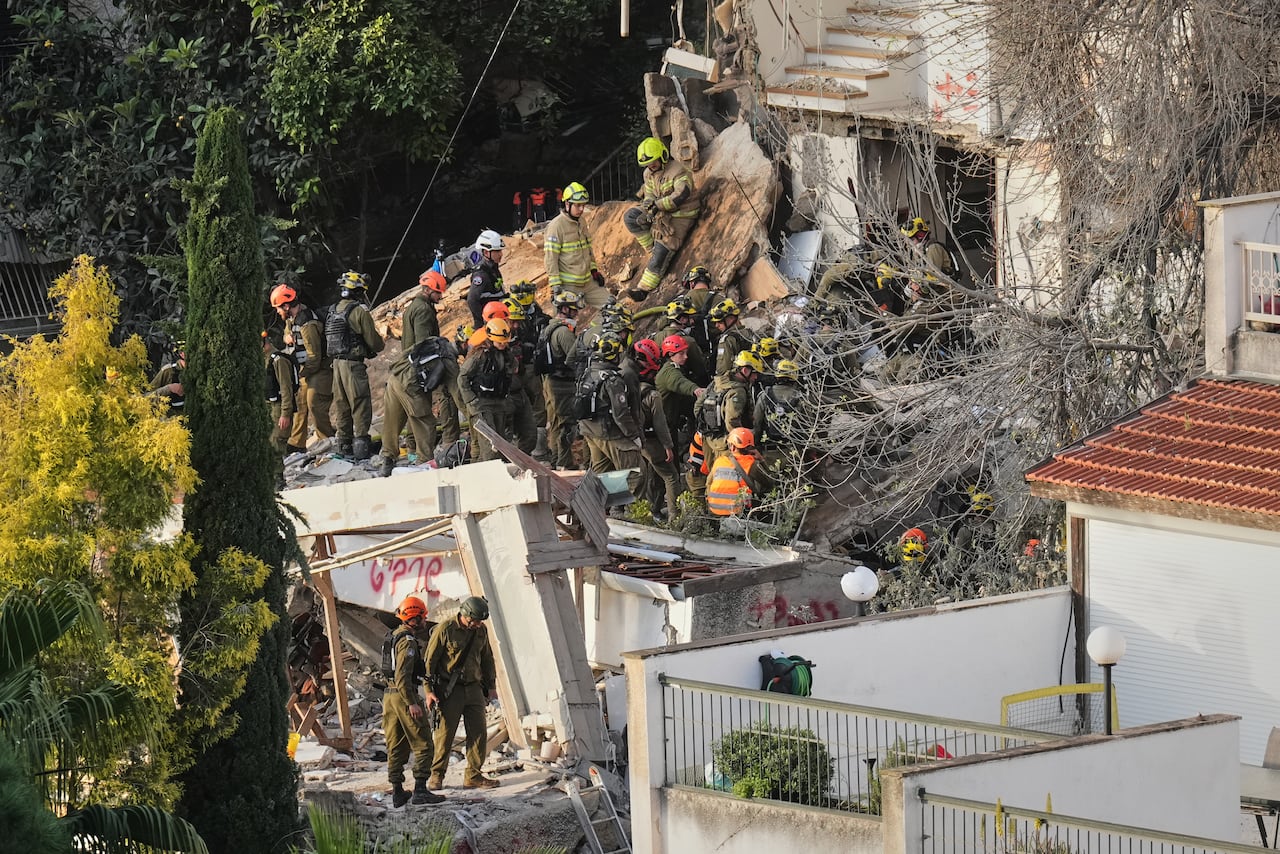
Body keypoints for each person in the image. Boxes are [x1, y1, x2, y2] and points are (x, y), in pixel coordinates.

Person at [426, 596, 500, 790]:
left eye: (480, 621)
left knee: (478, 733)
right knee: (444, 735)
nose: (477, 624)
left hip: (474, 687)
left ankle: (473, 775)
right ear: (465, 614)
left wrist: (491, 687)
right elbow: (430, 662)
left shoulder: (480, 631)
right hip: (449, 690)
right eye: (474, 620)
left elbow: (487, 659)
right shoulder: (445, 629)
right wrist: (429, 691)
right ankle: (436, 776)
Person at [384, 596, 447, 807]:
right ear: (414, 618)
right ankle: (420, 789)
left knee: (396, 745)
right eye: (422, 617)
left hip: (389, 696)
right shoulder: (407, 642)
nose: (423, 621)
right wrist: (411, 702)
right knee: (423, 743)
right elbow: (403, 675)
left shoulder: (393, 636)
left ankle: (397, 791)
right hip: (403, 696)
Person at [623, 137, 700, 302]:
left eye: (653, 162)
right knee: (631, 217)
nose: (651, 166)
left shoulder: (678, 171)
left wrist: (657, 206)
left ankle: (643, 289)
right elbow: (649, 192)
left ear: (663, 156)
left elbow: (680, 196)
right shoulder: (648, 174)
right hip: (660, 209)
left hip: (681, 214)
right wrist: (648, 205)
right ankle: (651, 248)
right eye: (648, 164)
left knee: (662, 251)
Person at [327, 271, 386, 460]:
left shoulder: (333, 310)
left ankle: (343, 446)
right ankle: (361, 448)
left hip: (335, 365)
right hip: (353, 365)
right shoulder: (359, 311)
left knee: (341, 404)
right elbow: (375, 343)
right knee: (360, 404)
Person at [577, 334, 643, 497]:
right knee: (636, 474)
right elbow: (621, 413)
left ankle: (602, 509)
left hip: (589, 431)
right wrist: (634, 435)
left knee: (602, 474)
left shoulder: (588, 371)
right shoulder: (613, 380)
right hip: (607, 432)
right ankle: (629, 513)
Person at [272, 283, 334, 453]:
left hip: (319, 369)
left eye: (278, 308)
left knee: (315, 403)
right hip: (304, 369)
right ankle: (296, 443)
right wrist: (286, 338)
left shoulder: (308, 324)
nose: (278, 312)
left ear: (286, 306)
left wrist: (300, 374)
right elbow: (287, 334)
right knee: (299, 404)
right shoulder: (292, 320)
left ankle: (328, 439)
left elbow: (314, 357)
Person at [544, 182, 614, 308]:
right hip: (568, 286)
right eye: (578, 206)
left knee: (613, 308)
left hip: (588, 282)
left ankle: (596, 328)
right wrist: (556, 286)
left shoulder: (581, 221)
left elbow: (588, 249)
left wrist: (594, 271)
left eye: (583, 205)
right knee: (564, 323)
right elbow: (550, 258)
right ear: (567, 204)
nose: (581, 209)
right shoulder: (556, 226)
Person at [632, 338, 680, 519]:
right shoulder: (653, 396)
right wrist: (668, 446)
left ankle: (652, 510)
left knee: (652, 474)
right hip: (652, 441)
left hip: (637, 440)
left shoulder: (630, 386)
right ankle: (675, 517)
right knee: (671, 476)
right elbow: (660, 424)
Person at [459, 318, 517, 462]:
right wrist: (472, 401)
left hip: (499, 403)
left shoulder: (506, 355)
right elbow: (462, 377)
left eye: (505, 341)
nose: (503, 344)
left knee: (501, 445)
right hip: (481, 404)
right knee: (490, 446)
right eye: (500, 342)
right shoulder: (480, 355)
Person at [539, 290, 585, 469]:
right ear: (564, 309)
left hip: (552, 382)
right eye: (574, 310)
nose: (577, 313)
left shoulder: (550, 327)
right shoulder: (564, 333)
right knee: (567, 424)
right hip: (563, 384)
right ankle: (565, 463)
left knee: (557, 423)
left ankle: (557, 460)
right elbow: (574, 357)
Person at [706, 427, 775, 517]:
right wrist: (761, 460)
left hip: (714, 511)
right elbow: (770, 482)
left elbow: (708, 483)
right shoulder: (750, 464)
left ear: (732, 447)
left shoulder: (719, 461)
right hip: (738, 514)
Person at [264, 332, 298, 485]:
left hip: (278, 407)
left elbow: (286, 389)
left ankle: (278, 479)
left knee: (276, 445)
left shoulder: (278, 360)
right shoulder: (264, 360)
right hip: (267, 407)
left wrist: (286, 413)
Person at [656, 296, 712, 385]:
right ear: (682, 319)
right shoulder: (688, 341)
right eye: (689, 318)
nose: (692, 321)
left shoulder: (657, 336)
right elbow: (700, 369)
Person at [467, 230, 507, 326]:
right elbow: (472, 300)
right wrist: (483, 321)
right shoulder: (481, 275)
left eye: (500, 250)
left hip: (497, 318)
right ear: (486, 252)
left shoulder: (493, 269)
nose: (501, 254)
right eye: (497, 251)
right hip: (490, 324)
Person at [709, 297, 753, 376]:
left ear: (731, 318)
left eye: (720, 322)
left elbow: (722, 370)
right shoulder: (749, 333)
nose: (717, 325)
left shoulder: (727, 340)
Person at [148, 338, 186, 415]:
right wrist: (169, 389)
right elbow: (146, 399)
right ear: (181, 353)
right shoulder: (169, 371)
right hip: (174, 422)